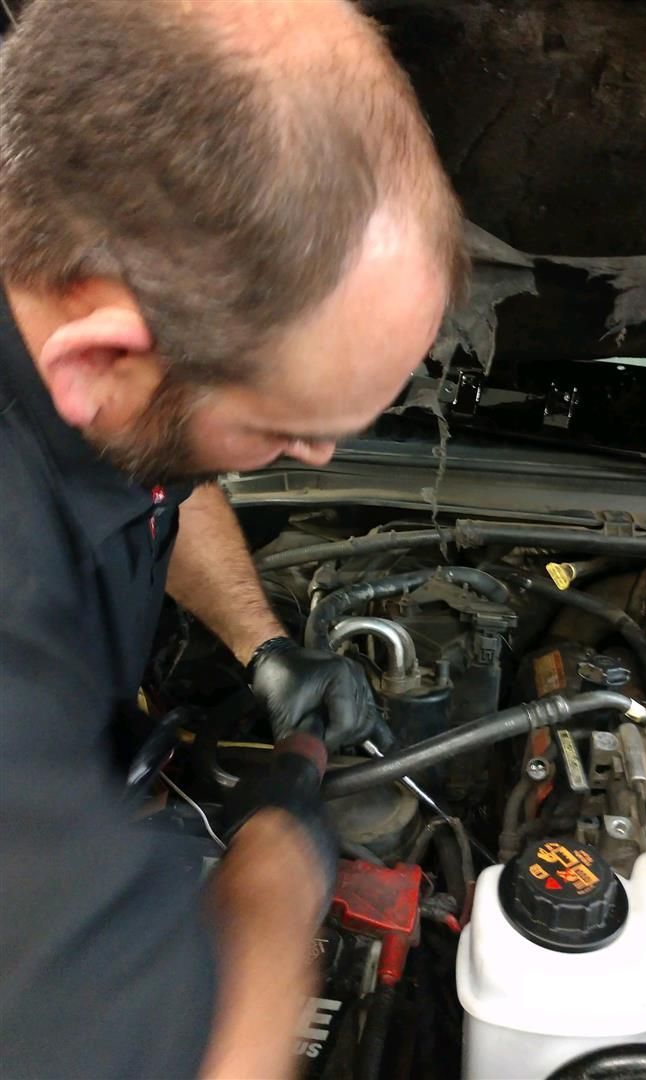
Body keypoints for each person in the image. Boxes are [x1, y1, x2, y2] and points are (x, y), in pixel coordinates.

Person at [0, 1, 467, 1076]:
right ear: (99, 360)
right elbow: (216, 1053)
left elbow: (159, 455)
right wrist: (281, 843)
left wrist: (262, 645)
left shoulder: (57, 278)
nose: (313, 466)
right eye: (281, 430)